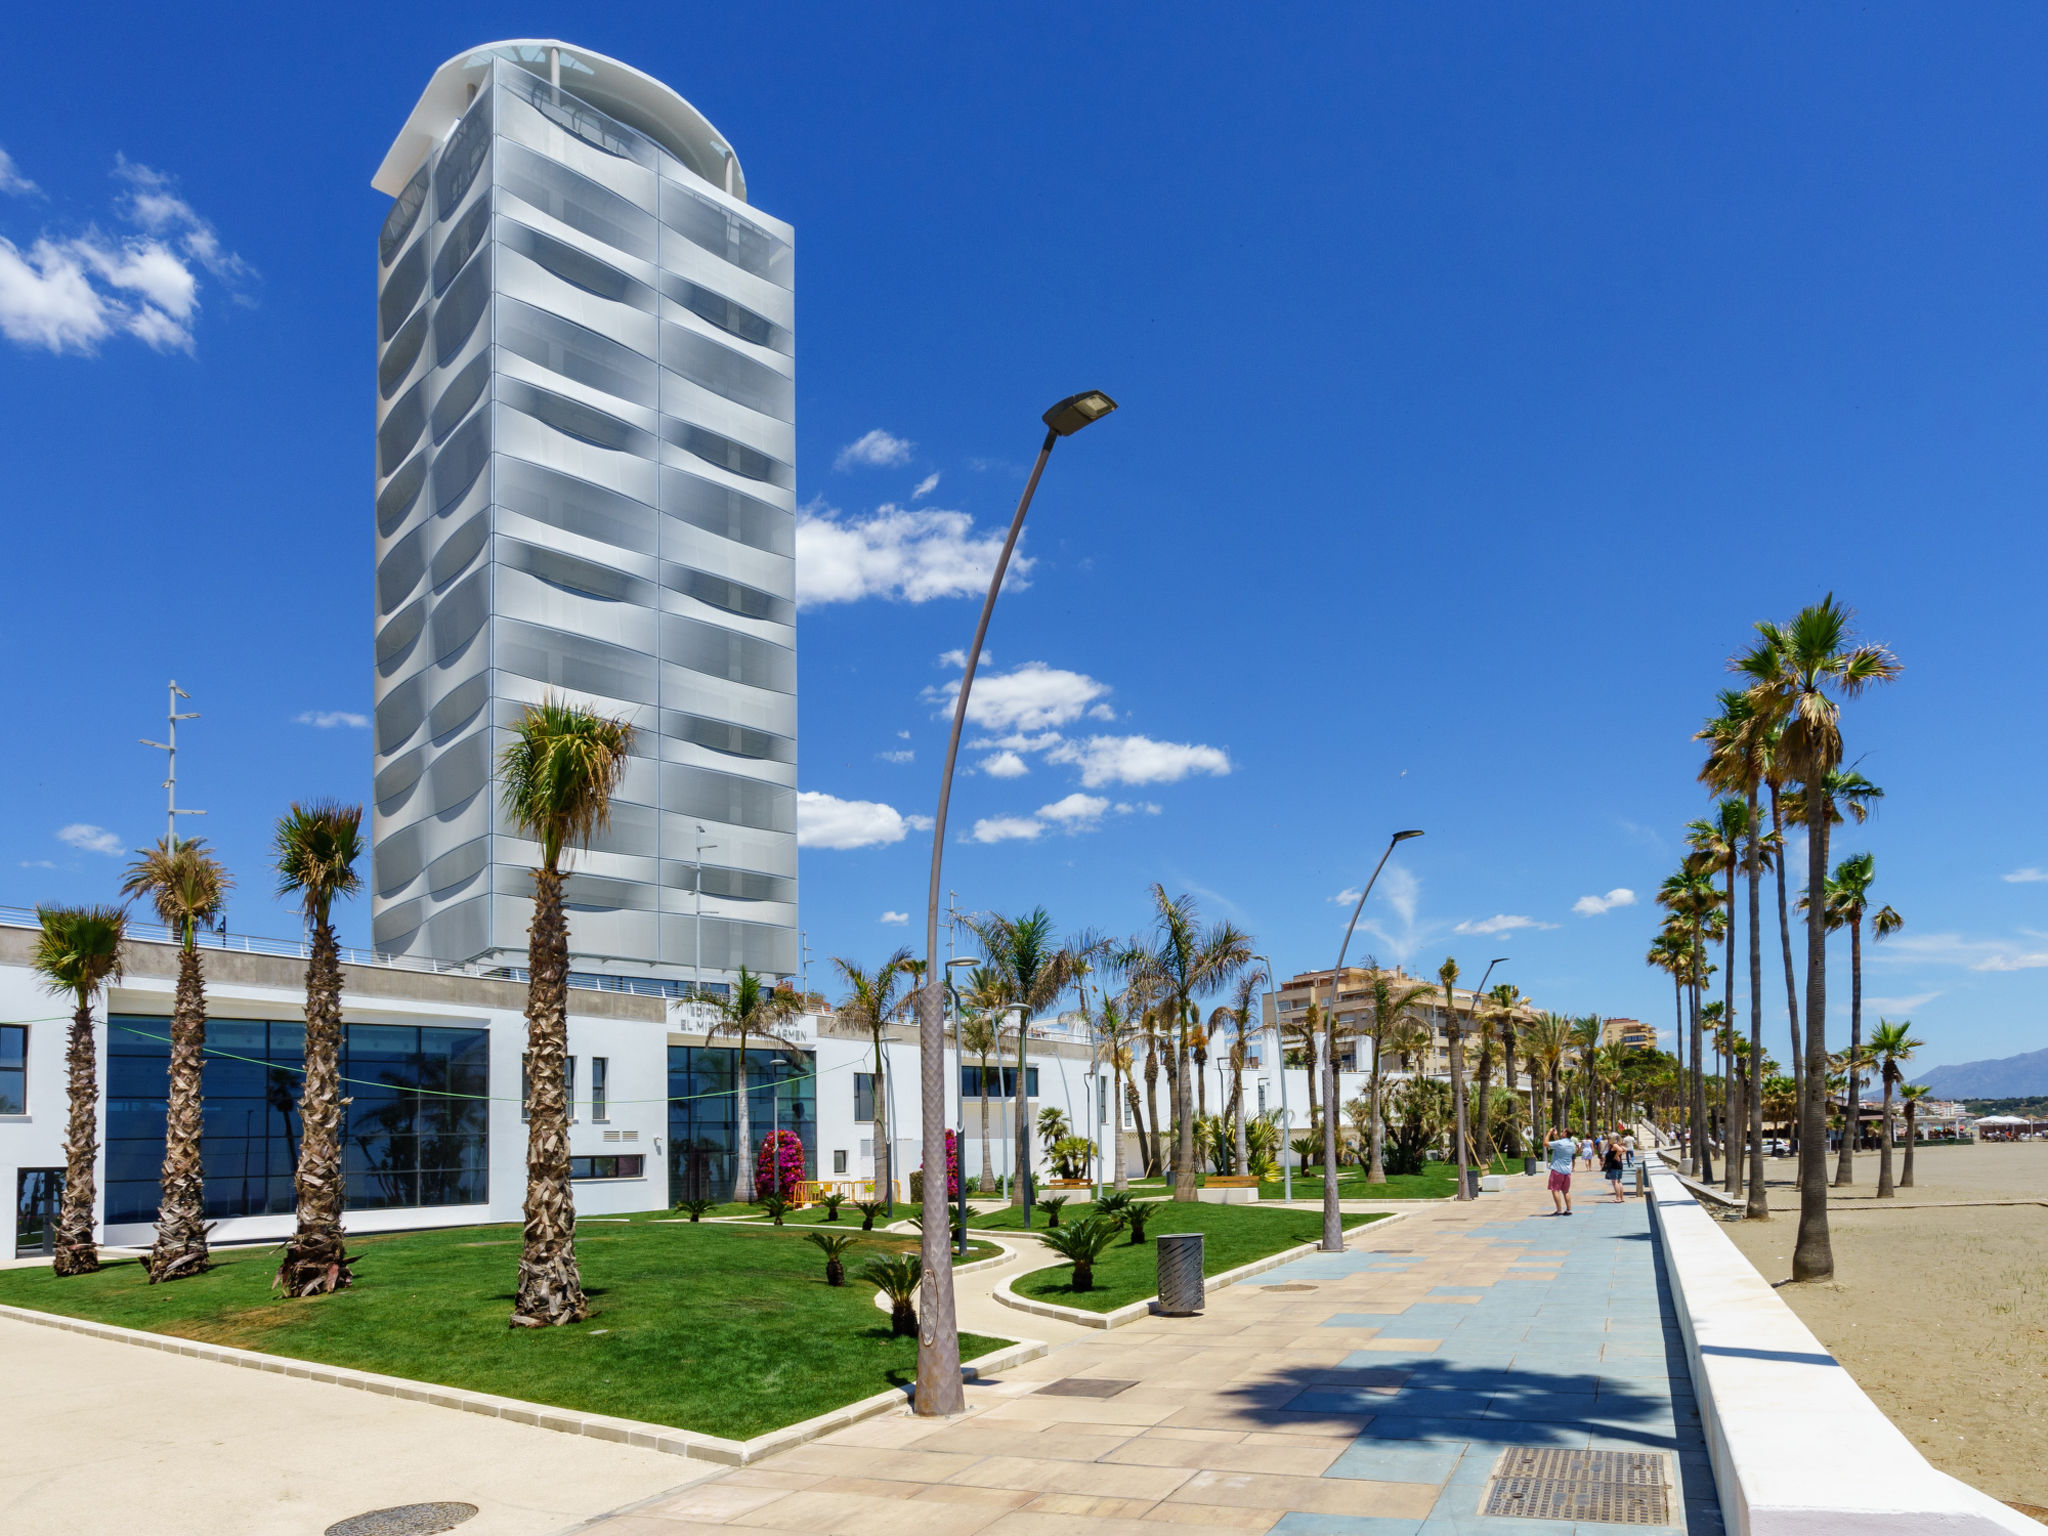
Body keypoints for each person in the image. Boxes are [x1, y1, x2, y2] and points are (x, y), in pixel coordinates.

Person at [1546, 1129, 1577, 1215]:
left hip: (1557, 1169)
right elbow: (1559, 1144)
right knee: (1566, 1191)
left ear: (1565, 1133)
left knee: (1555, 1190)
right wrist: (1555, 1135)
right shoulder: (1571, 1144)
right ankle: (1569, 1209)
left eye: (1563, 1131)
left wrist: (1549, 1133)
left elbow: (1545, 1143)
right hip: (1567, 1171)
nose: (1561, 1132)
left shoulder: (1560, 1143)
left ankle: (1559, 1210)